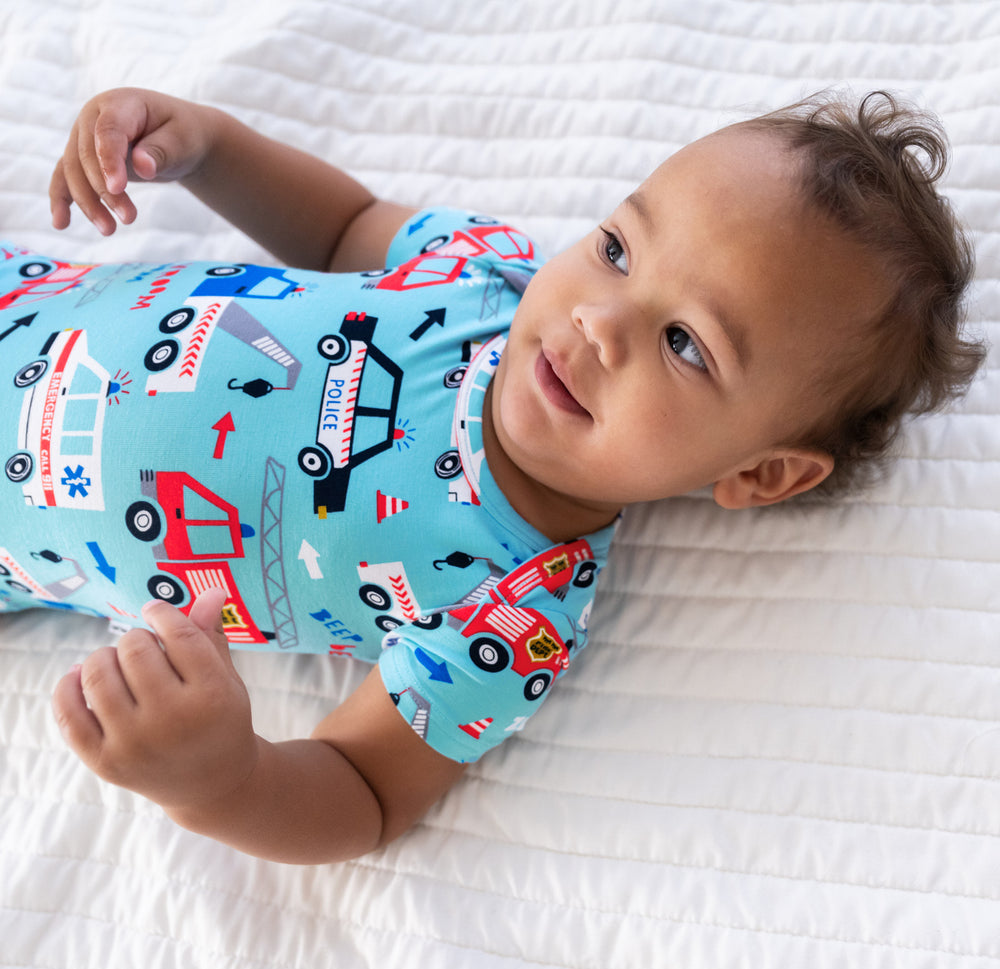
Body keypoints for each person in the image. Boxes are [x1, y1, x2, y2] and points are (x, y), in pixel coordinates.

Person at [0, 87, 984, 864]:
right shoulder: (482, 273)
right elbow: (343, 227)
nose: (598, 320)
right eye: (615, 247)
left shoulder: (509, 612)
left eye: (685, 344)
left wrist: (218, 779)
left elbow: (364, 788)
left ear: (762, 472)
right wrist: (206, 144)